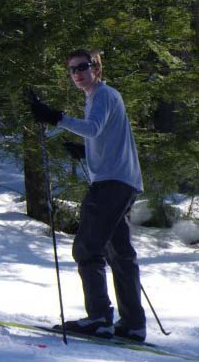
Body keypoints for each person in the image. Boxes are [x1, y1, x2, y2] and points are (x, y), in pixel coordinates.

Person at [28, 49, 146, 342]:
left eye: (83, 67)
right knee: (120, 253)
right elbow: (108, 135)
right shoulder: (100, 96)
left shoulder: (103, 94)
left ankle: (98, 318)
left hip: (110, 183)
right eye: (72, 70)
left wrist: (56, 117)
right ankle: (132, 323)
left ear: (97, 68)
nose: (78, 73)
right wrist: (86, 151)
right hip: (123, 180)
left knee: (87, 248)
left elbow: (93, 128)